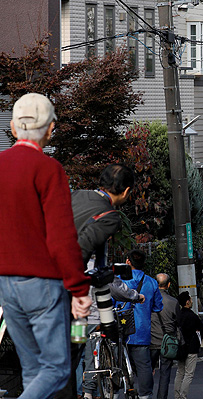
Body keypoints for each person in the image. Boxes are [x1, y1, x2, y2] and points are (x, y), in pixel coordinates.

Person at [0, 93, 92, 399]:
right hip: (42, 284)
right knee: (55, 368)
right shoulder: (49, 170)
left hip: (5, 284)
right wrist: (79, 290)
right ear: (50, 129)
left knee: (32, 372)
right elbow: (61, 238)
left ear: (13, 128)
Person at [71, 163, 140, 399]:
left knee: (72, 359)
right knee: (75, 357)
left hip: (30, 278)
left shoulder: (77, 195)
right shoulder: (110, 217)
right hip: (77, 307)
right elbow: (81, 252)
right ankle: (88, 392)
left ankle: (84, 392)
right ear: (126, 191)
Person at [116, 249, 163, 399]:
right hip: (141, 330)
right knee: (144, 367)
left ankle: (116, 392)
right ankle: (145, 395)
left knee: (117, 364)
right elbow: (158, 307)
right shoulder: (151, 282)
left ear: (128, 262)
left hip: (120, 329)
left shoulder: (118, 281)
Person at [150, 273, 180, 399]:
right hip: (167, 342)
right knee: (165, 373)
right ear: (168, 285)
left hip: (151, 341)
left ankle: (146, 394)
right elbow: (178, 322)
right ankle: (161, 397)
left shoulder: (148, 300)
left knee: (147, 371)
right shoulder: (173, 302)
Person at [174, 292, 203, 399]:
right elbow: (202, 328)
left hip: (180, 347)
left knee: (180, 372)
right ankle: (183, 395)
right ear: (187, 302)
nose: (192, 301)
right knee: (189, 373)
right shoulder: (192, 316)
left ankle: (177, 395)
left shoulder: (179, 315)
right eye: (191, 300)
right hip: (191, 347)